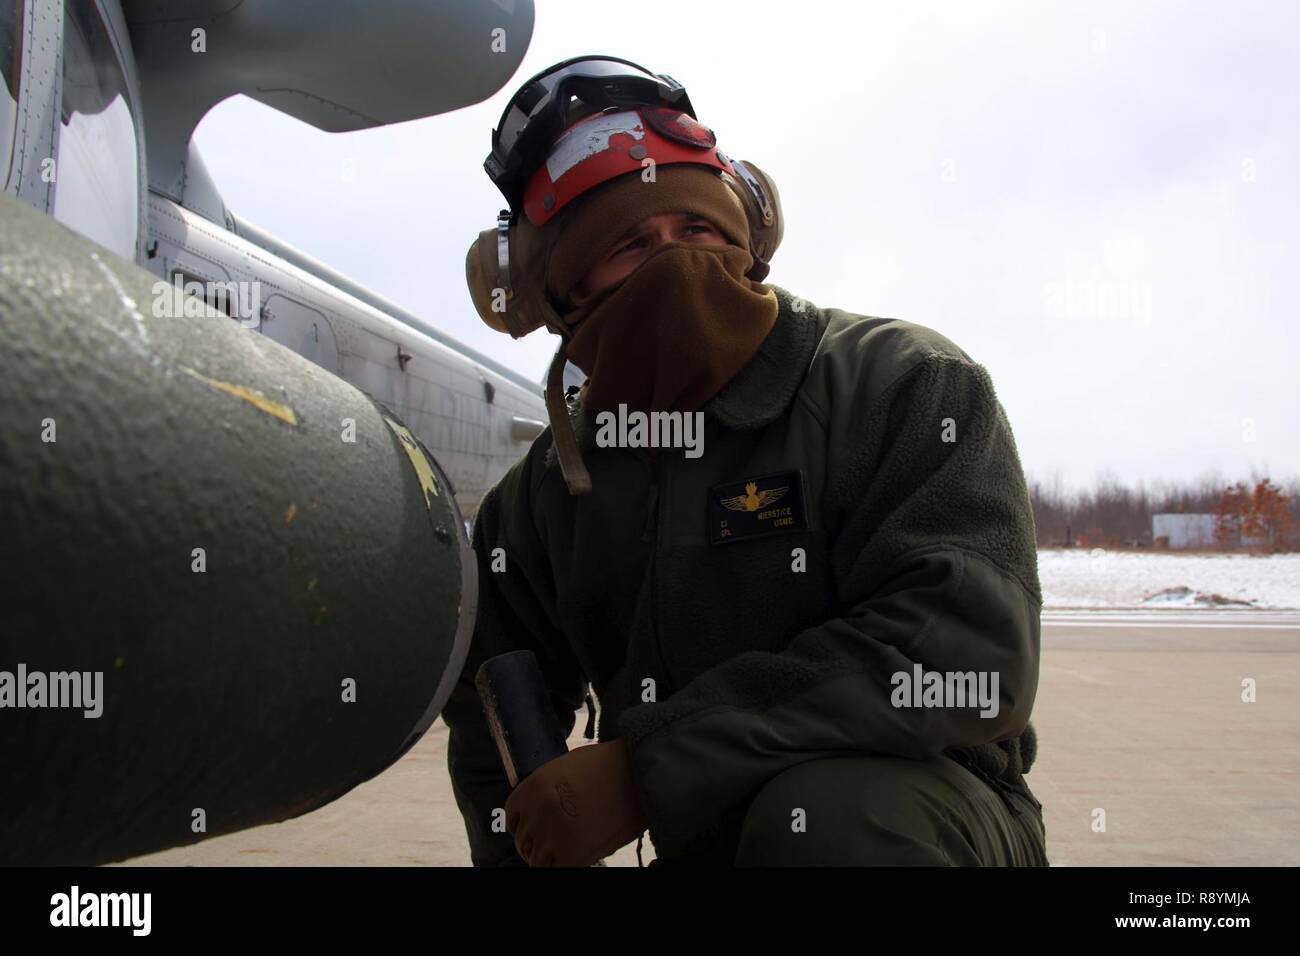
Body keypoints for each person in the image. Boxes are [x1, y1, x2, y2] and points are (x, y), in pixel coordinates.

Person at [446, 55, 1048, 867]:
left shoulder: (901, 384)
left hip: (925, 819)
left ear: (749, 236)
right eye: (630, 244)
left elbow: (971, 653)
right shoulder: (545, 499)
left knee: (833, 819)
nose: (677, 263)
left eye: (698, 231)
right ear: (561, 295)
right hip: (706, 848)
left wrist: (650, 768)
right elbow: (492, 718)